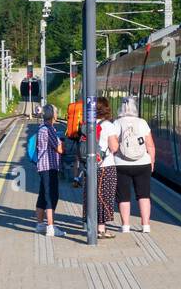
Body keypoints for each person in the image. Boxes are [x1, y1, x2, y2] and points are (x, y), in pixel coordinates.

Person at [109, 96, 155, 233]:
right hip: (143, 163)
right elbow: (150, 145)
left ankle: (125, 226)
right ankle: (145, 225)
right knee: (144, 195)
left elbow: (113, 146)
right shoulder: (142, 123)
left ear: (121, 108)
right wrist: (151, 161)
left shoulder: (116, 123)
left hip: (121, 164)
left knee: (123, 196)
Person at [33, 103, 65, 237]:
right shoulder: (49, 129)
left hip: (42, 166)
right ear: (52, 114)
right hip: (49, 166)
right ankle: (51, 227)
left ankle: (40, 225)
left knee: (42, 195)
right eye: (56, 112)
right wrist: (62, 143)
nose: (57, 115)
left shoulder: (41, 128)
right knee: (51, 196)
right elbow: (59, 149)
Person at [89, 97, 119, 239]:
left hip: (90, 165)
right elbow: (114, 147)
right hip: (106, 166)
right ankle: (101, 229)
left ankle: (92, 226)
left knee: (92, 196)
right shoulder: (108, 125)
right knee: (104, 197)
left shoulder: (88, 123)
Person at [63, 98, 84, 187]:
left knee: (77, 158)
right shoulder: (85, 107)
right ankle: (82, 179)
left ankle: (76, 178)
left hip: (73, 135)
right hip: (82, 135)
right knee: (84, 158)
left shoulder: (73, 107)